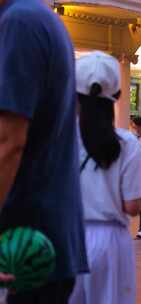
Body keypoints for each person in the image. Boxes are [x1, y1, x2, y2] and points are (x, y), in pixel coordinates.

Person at [0, 0, 88, 301]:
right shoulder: (35, 18)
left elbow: (8, 142)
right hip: (39, 237)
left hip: (25, 243)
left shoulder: (19, 23)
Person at [69, 51, 141, 304]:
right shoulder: (128, 144)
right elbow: (133, 206)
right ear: (116, 96)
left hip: (69, 236)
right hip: (111, 242)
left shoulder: (58, 139)